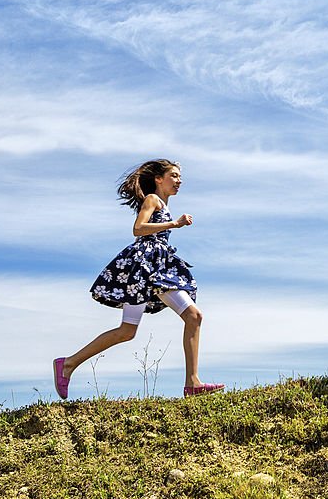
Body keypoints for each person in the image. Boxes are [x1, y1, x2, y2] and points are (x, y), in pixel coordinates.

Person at [53, 159, 224, 399]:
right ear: (158, 179)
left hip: (151, 268)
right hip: (148, 268)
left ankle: (68, 364)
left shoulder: (163, 204)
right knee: (194, 316)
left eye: (179, 177)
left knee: (127, 331)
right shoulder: (153, 200)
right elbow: (138, 228)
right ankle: (192, 383)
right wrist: (175, 223)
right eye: (173, 176)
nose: (179, 180)